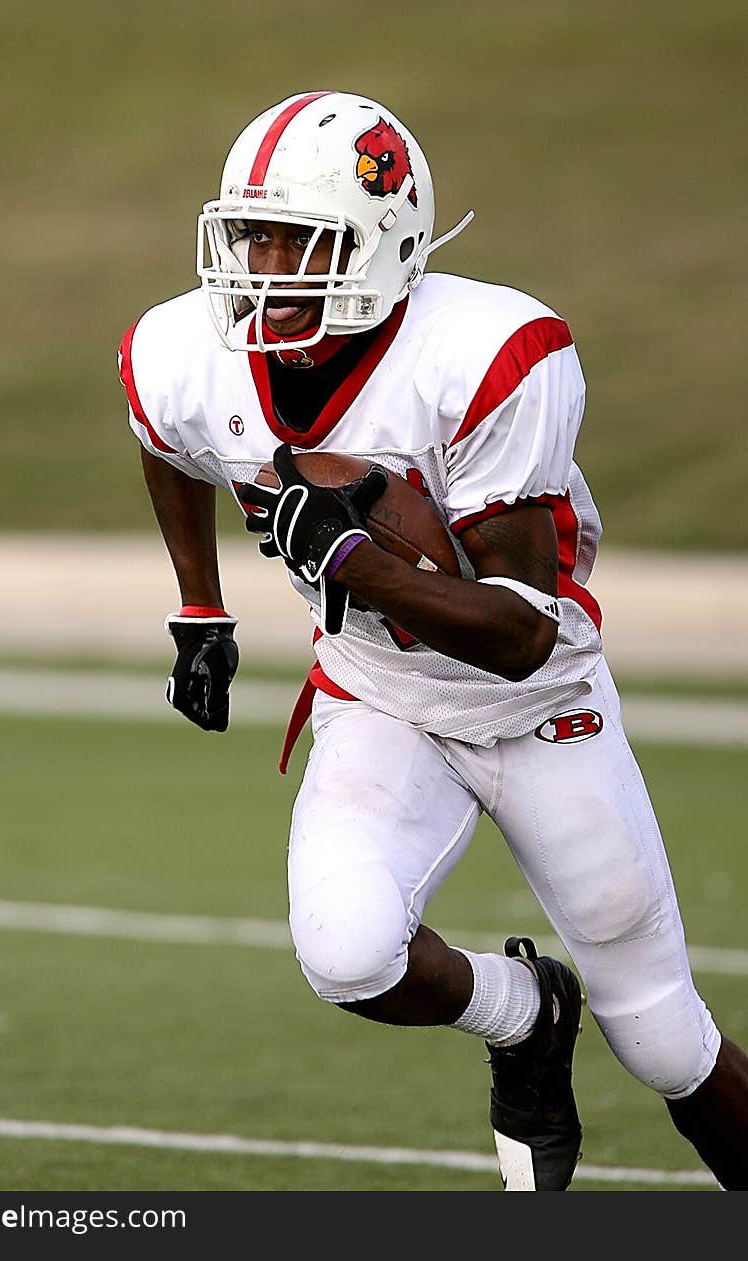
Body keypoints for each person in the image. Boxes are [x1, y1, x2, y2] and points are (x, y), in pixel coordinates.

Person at [118, 90, 748, 1190]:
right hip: (379, 698)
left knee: (662, 1041)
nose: (261, 270)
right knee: (348, 952)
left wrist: (354, 559)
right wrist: (200, 607)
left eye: (295, 240)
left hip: (539, 702)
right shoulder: (186, 349)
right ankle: (525, 1016)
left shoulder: (491, 351)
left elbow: (513, 633)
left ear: (381, 239)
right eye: (248, 236)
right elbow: (167, 440)